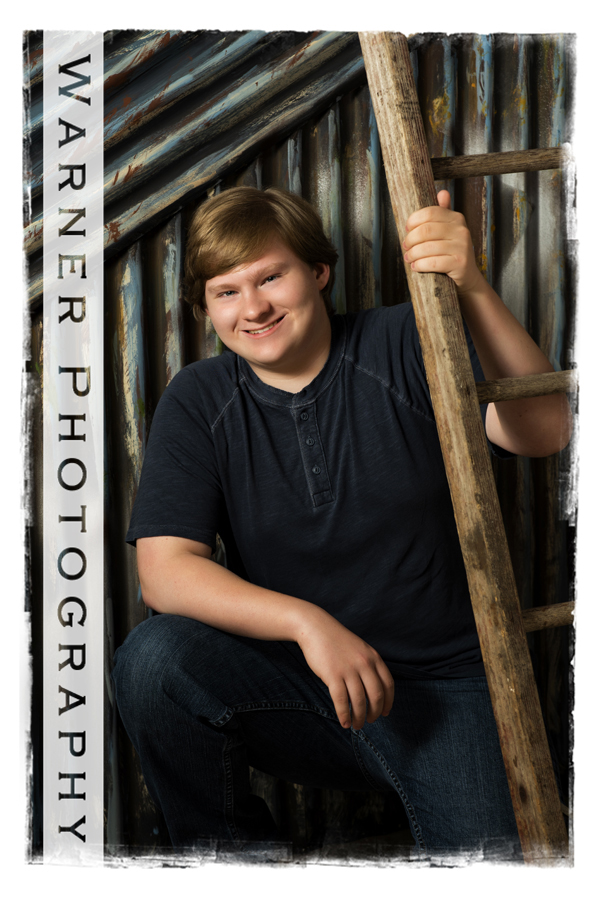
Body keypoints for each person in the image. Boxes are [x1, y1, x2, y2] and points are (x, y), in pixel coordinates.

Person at [112, 186, 572, 861]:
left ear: (318, 271)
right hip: (305, 690)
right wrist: (308, 625)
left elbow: (546, 429)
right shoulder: (200, 397)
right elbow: (165, 572)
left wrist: (467, 282)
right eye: (227, 291)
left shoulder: (404, 341)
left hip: (442, 692)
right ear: (206, 309)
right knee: (153, 661)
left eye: (271, 276)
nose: (255, 307)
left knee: (495, 869)